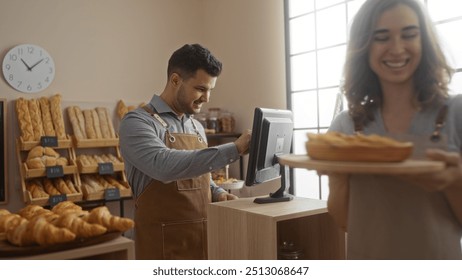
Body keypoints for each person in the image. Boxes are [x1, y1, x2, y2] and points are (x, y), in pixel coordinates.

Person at [326, 0, 462, 259]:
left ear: (424, 41)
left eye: (409, 34)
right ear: (364, 47)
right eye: (381, 37)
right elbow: (344, 221)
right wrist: (337, 175)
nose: (397, 49)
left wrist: (456, 181)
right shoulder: (345, 126)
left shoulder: (456, 113)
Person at [119, 43, 251, 260]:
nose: (207, 98)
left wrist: (217, 192)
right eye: (200, 89)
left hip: (203, 242)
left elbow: (202, 177)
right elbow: (163, 165)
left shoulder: (197, 127)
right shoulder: (137, 122)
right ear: (175, 80)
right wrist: (234, 149)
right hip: (161, 248)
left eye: (210, 90)